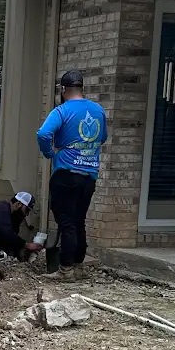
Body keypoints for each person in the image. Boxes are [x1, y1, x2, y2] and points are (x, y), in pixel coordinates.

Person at [37, 69, 108, 277]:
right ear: (82, 88)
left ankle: (65, 269)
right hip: (89, 175)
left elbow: (43, 133)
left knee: (66, 221)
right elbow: (101, 137)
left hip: (66, 173)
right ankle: (78, 266)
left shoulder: (62, 111)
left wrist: (50, 153)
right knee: (79, 219)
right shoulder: (98, 110)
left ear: (63, 89)